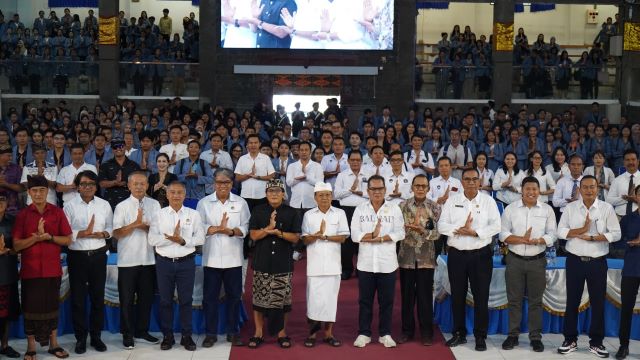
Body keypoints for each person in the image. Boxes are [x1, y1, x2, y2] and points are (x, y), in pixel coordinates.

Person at [557, 175, 621, 357]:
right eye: (585, 187)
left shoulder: (606, 208)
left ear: (597, 189)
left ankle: (597, 342)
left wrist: (594, 237)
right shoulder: (570, 208)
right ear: (580, 190)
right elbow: (560, 232)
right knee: (572, 302)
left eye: (592, 187)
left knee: (598, 302)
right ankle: (570, 339)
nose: (588, 190)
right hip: (575, 261)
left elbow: (616, 234)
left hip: (597, 262)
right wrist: (582, 231)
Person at [438, 168, 501, 351]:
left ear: (479, 182)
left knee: (481, 297)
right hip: (457, 255)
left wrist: (475, 232)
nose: (471, 182)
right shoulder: (452, 201)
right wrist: (460, 229)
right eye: (467, 179)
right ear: (462, 182)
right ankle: (459, 334)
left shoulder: (489, 201)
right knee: (457, 295)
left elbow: (496, 225)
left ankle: (480, 336)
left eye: (475, 179)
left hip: (481, 256)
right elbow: (442, 225)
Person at [13, 175, 73, 360]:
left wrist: (50, 237)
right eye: (34, 191)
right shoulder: (23, 215)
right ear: (29, 193)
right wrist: (36, 238)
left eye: (42, 190)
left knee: (52, 307)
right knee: (30, 309)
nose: (38, 193)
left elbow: (68, 239)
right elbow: (16, 246)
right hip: (30, 271)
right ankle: (31, 347)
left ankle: (53, 344)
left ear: (48, 192)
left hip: (51, 269)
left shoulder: (57, 212)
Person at [499, 176, 557, 353]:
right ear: (521, 191)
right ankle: (513, 335)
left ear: (539, 191)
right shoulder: (510, 209)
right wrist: (521, 239)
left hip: (537, 261)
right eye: (528, 189)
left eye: (534, 189)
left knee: (535, 301)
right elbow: (503, 234)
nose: (531, 192)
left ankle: (535, 337)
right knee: (514, 300)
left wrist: (540, 240)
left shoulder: (547, 210)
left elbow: (553, 234)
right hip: (514, 260)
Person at [149, 181, 205, 351]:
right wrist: (170, 239)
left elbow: (200, 239)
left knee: (186, 300)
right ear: (167, 194)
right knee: (165, 301)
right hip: (164, 263)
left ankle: (187, 336)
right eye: (172, 192)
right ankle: (168, 336)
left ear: (185, 194)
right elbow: (152, 239)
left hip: (186, 263)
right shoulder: (159, 215)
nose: (176, 196)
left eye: (179, 192)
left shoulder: (193, 214)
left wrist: (182, 241)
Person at [197, 168, 250, 347]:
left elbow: (245, 227)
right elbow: (199, 227)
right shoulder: (204, 203)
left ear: (232, 184)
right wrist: (215, 229)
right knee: (210, 298)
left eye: (226, 182)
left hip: (233, 259)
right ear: (213, 183)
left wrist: (231, 231)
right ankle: (210, 333)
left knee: (234, 297)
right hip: (211, 259)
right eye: (219, 182)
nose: (222, 186)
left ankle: (233, 332)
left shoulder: (241, 203)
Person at [351, 174, 405, 348]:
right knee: (365, 301)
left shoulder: (394, 209)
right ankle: (364, 333)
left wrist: (381, 238)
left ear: (385, 190)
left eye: (380, 188)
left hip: (387, 263)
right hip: (366, 263)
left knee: (387, 302)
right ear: (367, 191)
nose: (376, 192)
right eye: (373, 189)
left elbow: (401, 233)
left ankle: (385, 333)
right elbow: (354, 235)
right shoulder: (360, 209)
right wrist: (372, 235)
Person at [63, 170, 113, 354]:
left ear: (96, 186)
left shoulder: (104, 204)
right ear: (77, 187)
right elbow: (65, 234)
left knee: (97, 298)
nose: (88, 187)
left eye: (91, 184)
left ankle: (96, 336)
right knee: (78, 300)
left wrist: (103, 234)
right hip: (77, 257)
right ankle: (80, 338)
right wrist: (83, 233)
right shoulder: (68, 206)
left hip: (99, 255)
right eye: (83, 184)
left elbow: (111, 227)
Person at [247, 179, 300, 349]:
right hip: (262, 261)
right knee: (259, 300)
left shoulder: (292, 212)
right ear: (266, 194)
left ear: (283, 194)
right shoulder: (257, 210)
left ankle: (282, 333)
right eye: (271, 191)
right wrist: (267, 229)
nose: (274, 194)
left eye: (278, 191)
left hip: (283, 262)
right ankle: (258, 332)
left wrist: (279, 233)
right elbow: (253, 236)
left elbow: (296, 237)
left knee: (282, 301)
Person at [112, 171, 161, 349]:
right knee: (126, 300)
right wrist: (135, 224)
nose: (139, 187)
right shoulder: (121, 206)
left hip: (148, 260)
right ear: (129, 186)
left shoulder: (155, 204)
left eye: (143, 184)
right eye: (136, 184)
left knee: (146, 299)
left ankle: (142, 330)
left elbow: (160, 232)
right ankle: (127, 333)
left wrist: (145, 226)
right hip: (127, 261)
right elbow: (116, 234)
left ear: (148, 186)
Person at [300, 182, 349, 347]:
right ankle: (312, 334)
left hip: (334, 265)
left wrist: (325, 237)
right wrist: (316, 235)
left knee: (330, 301)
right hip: (314, 265)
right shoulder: (308, 215)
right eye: (321, 195)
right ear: (315, 198)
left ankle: (328, 334)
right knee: (313, 301)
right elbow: (304, 239)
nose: (324, 198)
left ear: (332, 196)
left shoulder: (340, 213)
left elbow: (343, 237)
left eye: (327, 194)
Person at [397, 174, 441, 346]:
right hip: (406, 257)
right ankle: (407, 331)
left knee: (424, 297)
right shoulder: (402, 206)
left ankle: (426, 332)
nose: (420, 188)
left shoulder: (435, 208)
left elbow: (437, 234)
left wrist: (423, 231)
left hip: (426, 258)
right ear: (412, 187)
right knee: (407, 297)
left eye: (424, 186)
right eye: (417, 186)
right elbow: (396, 231)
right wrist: (409, 229)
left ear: (428, 188)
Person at [334, 150, 370, 280]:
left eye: (357, 160)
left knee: (363, 240)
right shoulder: (342, 175)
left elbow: (372, 192)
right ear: (348, 161)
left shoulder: (368, 174)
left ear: (361, 161)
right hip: (346, 210)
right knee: (347, 242)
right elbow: (336, 194)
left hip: (364, 210)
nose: (355, 162)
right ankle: (347, 269)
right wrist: (350, 190)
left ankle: (362, 269)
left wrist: (360, 192)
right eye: (352, 160)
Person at [616, 184, 640, 359]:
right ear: (635, 197)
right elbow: (617, 242)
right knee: (626, 309)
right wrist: (631, 242)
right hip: (631, 268)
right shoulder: (627, 219)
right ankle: (623, 346)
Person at [0, 192, 20, 359]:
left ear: (7, 203)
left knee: (6, 313)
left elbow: (18, 246)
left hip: (7, 271)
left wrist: (9, 250)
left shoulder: (13, 221)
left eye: (2, 200)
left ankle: (5, 345)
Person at [235, 134, 276, 210]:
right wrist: (249, 175)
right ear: (247, 145)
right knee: (247, 219)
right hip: (246, 195)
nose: (253, 145)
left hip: (262, 195)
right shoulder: (242, 159)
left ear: (259, 144)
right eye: (250, 143)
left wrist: (258, 177)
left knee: (261, 219)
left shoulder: (265, 158)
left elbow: (272, 176)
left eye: (255, 143)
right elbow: (237, 178)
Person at [98, 139, 141, 209]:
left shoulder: (134, 166)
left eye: (120, 146)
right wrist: (115, 182)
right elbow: (101, 184)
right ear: (112, 149)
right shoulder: (105, 165)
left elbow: (139, 183)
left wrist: (125, 183)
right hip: (110, 203)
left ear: (125, 147)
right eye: (115, 147)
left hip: (130, 203)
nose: (118, 148)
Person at [286, 141, 324, 211]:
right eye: (301, 150)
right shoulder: (292, 166)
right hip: (295, 202)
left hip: (312, 203)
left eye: (306, 150)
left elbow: (320, 184)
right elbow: (288, 183)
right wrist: (299, 179)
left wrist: (307, 178)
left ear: (310, 152)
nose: (304, 152)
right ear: (299, 151)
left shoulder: (317, 166)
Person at [606, 149, 639, 217]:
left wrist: (636, 200)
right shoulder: (617, 180)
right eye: (627, 160)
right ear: (624, 162)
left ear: (638, 161)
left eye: (633, 159)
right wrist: (624, 199)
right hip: (619, 217)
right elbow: (609, 200)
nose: (630, 162)